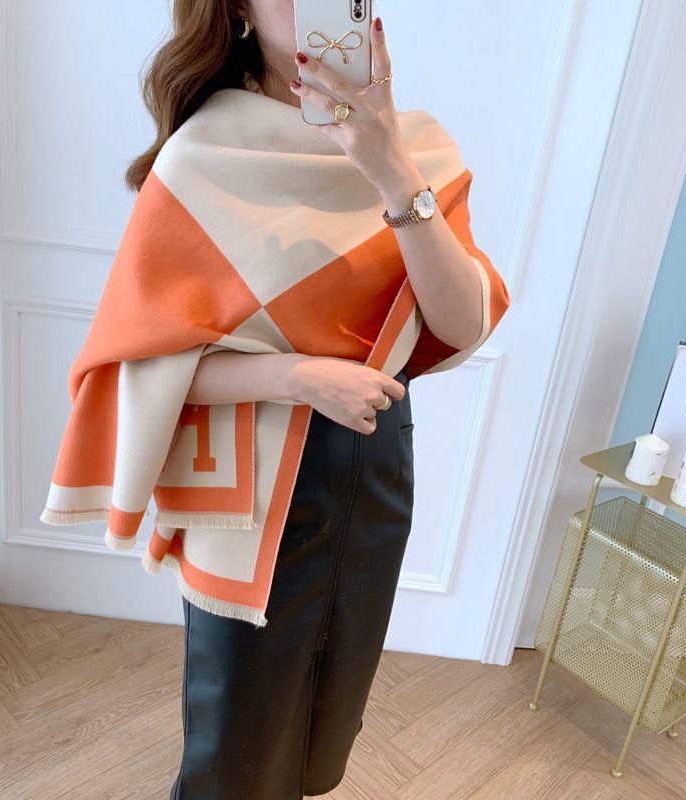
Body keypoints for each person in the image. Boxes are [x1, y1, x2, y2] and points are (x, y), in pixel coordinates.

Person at [116, 3, 510, 798]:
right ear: (236, 8)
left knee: (323, 721)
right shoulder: (203, 156)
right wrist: (297, 377)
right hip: (254, 483)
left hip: (370, 467)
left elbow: (462, 324)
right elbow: (147, 363)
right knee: (236, 743)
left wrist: (391, 167)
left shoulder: (416, 147)